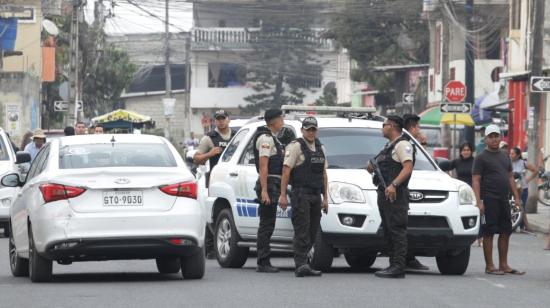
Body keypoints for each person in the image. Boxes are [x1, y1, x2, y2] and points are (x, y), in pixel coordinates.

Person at [472, 124, 525, 275]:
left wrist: (516, 196)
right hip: (489, 199)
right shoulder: (481, 157)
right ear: (486, 139)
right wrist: (479, 201)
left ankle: (504, 264)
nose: (494, 139)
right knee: (489, 232)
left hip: (503, 199)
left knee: (506, 231)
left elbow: (510, 176)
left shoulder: (505, 155)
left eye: (496, 136)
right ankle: (490, 266)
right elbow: (476, 179)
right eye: (491, 137)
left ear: (500, 137)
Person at [280, 116, 328, 277]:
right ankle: (300, 264)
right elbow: (286, 171)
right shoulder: (295, 147)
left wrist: (325, 198)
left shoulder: (321, 148)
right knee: (302, 229)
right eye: (308, 129)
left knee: (312, 231)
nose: (311, 132)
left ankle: (305, 263)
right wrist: (283, 196)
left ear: (317, 130)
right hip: (301, 193)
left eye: (313, 129)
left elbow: (323, 174)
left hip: (315, 194)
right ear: (302, 130)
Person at [367, 115, 414, 278]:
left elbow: (408, 167)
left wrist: (394, 184)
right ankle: (393, 264)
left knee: (397, 230)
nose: (382, 127)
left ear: (392, 126)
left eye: (384, 124)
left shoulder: (403, 145)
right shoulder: (389, 146)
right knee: (388, 230)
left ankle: (399, 266)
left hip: (396, 194)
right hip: (385, 193)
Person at [193, 109, 236, 259]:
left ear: (228, 119)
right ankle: (211, 247)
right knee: (214, 213)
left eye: (223, 118)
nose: (221, 121)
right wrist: (210, 154)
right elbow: (197, 159)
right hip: (216, 180)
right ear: (215, 121)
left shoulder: (237, 135)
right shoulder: (209, 138)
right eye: (218, 119)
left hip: (233, 180)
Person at [252, 109, 285, 273]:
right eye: (281, 118)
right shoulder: (266, 139)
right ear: (273, 121)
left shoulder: (273, 138)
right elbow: (263, 166)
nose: (283, 121)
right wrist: (264, 190)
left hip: (274, 184)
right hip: (269, 184)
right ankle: (263, 262)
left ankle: (264, 261)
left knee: (268, 223)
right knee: (266, 224)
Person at [401, 113, 429, 271]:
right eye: (417, 126)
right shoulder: (404, 143)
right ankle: (402, 259)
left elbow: (422, 164)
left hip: (413, 187)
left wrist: (423, 145)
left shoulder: (412, 143)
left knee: (407, 224)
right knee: (401, 225)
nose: (419, 129)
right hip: (402, 188)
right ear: (412, 127)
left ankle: (408, 258)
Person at [510, 147, 538, 232]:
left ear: (518, 155)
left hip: (522, 188)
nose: (511, 155)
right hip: (511, 188)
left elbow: (535, 171)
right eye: (510, 153)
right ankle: (515, 225)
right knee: (513, 206)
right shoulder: (508, 163)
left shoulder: (523, 163)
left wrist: (527, 180)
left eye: (513, 154)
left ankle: (523, 226)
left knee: (521, 206)